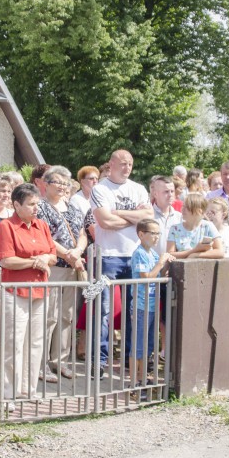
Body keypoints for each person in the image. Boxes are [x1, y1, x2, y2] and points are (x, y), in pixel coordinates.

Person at [0, 183, 57, 400]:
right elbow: (6, 260)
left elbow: (52, 255)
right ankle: (9, 393)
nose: (35, 208)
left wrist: (43, 259)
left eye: (37, 204)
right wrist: (35, 262)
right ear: (16, 205)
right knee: (14, 344)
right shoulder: (6, 227)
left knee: (36, 343)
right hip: (15, 291)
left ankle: (29, 391)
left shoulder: (42, 226)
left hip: (40, 290)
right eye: (31, 204)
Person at [91, 150, 152, 374]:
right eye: (123, 164)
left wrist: (118, 212)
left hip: (135, 256)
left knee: (133, 310)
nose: (127, 168)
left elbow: (148, 218)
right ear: (112, 164)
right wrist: (133, 218)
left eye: (130, 164)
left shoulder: (139, 188)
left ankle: (129, 357)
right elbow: (105, 221)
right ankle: (99, 359)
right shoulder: (100, 189)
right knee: (102, 309)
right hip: (107, 256)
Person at [35, 166, 87, 382]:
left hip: (72, 268)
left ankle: (61, 361)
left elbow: (82, 233)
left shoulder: (72, 208)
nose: (63, 187)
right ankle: (41, 364)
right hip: (55, 267)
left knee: (67, 316)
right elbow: (45, 236)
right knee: (48, 317)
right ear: (46, 184)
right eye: (59, 182)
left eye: (66, 183)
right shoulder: (41, 207)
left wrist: (78, 252)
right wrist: (68, 254)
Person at [130, 218, 174, 394]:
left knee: (148, 344)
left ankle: (143, 378)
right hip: (141, 306)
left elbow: (159, 273)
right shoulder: (139, 253)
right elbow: (146, 276)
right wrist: (161, 263)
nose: (156, 237)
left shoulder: (153, 254)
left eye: (158, 234)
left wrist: (166, 264)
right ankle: (134, 382)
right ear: (141, 234)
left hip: (152, 305)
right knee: (138, 344)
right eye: (153, 233)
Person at [166, 194, 223, 260]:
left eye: (187, 207)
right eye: (183, 206)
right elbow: (169, 254)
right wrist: (194, 251)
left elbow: (220, 252)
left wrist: (197, 255)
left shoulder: (208, 226)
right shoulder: (174, 229)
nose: (182, 210)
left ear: (199, 211)